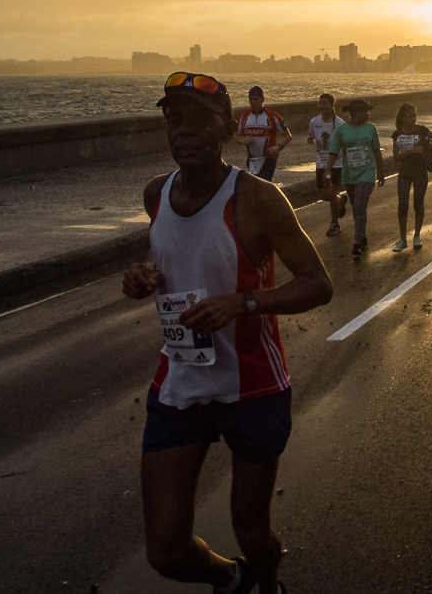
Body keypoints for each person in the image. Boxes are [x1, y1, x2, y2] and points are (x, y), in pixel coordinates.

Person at [122, 71, 333, 594]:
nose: (183, 131)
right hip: (178, 386)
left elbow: (317, 284)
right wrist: (143, 278)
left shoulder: (259, 199)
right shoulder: (156, 195)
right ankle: (231, 580)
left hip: (253, 388)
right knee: (166, 552)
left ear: (225, 128)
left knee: (253, 530)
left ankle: (266, 583)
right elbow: (173, 261)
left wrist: (243, 304)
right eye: (174, 120)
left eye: (198, 120)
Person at [325, 99, 385, 256]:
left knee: (359, 205)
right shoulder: (341, 130)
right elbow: (333, 151)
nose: (368, 113)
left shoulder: (371, 128)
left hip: (367, 172)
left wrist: (381, 171)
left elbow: (377, 151)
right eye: (366, 111)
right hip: (349, 174)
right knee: (355, 206)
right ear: (356, 113)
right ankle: (362, 235)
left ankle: (358, 240)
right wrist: (328, 169)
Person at [390, 103, 432, 252]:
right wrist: (411, 152)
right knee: (402, 205)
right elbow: (396, 157)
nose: (413, 119)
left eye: (414, 115)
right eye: (410, 116)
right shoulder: (397, 134)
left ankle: (417, 236)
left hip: (420, 171)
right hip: (405, 172)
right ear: (402, 117)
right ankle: (402, 240)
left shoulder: (422, 131)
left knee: (418, 204)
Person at [308, 93, 348, 237]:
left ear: (332, 105)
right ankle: (340, 200)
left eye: (325, 103)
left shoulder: (339, 123)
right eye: (320, 103)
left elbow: (343, 143)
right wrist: (310, 140)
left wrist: (339, 156)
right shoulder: (314, 121)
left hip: (336, 163)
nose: (322, 106)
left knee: (331, 192)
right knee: (324, 196)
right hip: (321, 162)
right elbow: (311, 137)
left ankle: (334, 223)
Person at [234, 86, 292, 181]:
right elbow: (236, 136)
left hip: (269, 159)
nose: (252, 102)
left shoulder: (273, 116)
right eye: (250, 99)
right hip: (252, 159)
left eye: (256, 99)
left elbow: (288, 136)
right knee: (254, 186)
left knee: (263, 184)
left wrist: (279, 147)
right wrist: (241, 140)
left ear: (262, 100)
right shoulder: (243, 117)